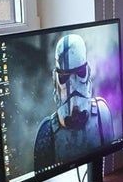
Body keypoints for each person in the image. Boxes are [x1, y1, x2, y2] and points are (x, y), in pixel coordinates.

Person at [34, 33, 115, 171]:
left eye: (80, 73)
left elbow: (112, 167)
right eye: (65, 77)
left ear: (87, 72)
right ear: (56, 79)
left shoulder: (102, 114)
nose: (73, 84)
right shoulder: (47, 132)